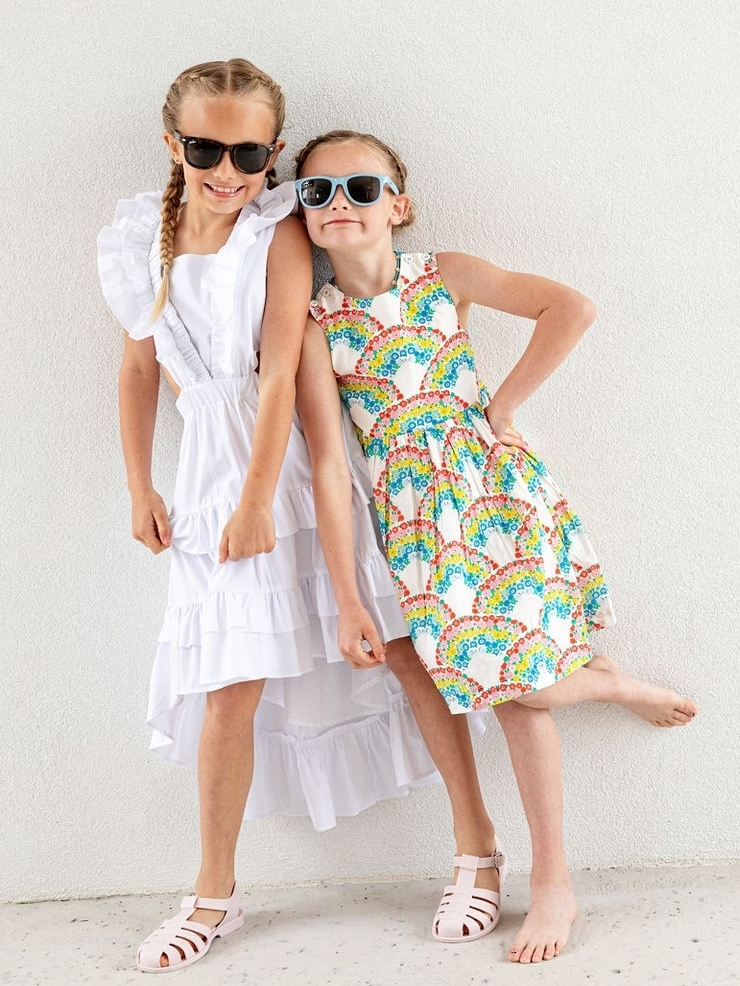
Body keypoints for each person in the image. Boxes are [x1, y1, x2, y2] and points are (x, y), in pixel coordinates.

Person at [294, 130, 698, 963]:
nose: (340, 204)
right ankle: (605, 681)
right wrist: (345, 594)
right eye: (319, 192)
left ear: (396, 206)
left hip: (492, 498)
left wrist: (502, 403)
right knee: (508, 685)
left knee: (518, 694)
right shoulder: (316, 322)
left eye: (361, 189)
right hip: (411, 529)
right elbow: (331, 465)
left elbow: (570, 308)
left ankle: (554, 880)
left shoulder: (441, 275)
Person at [97, 61, 459, 974]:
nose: (229, 169)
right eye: (208, 148)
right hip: (205, 471)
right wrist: (140, 483)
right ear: (175, 143)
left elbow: (281, 366)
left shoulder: (277, 230)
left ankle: (478, 848)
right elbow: (140, 365)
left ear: (272, 154)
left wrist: (262, 495)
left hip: (290, 459)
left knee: (398, 640)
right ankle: (213, 894)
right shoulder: (140, 235)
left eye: (251, 152)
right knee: (229, 681)